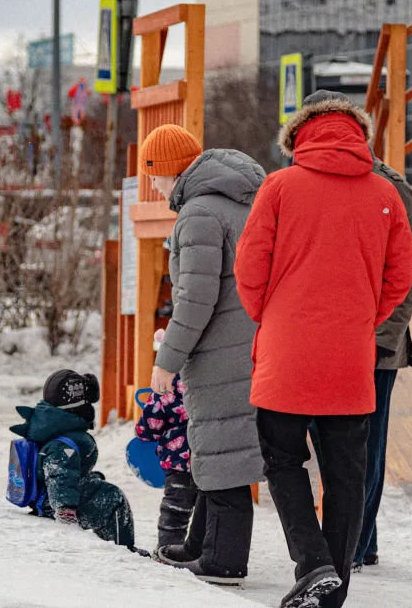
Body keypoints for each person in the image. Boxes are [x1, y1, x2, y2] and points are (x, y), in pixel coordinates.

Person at [235, 94, 412, 608]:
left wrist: (270, 315)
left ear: (299, 137)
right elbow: (400, 278)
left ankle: (312, 564)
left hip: (285, 354)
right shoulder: (385, 195)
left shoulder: (278, 187)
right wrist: (361, 320)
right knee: (345, 477)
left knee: (282, 459)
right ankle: (332, 590)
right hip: (350, 359)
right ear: (359, 137)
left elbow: (249, 269)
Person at [139, 124, 267, 586]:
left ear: (170, 170)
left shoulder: (198, 213)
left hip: (222, 347)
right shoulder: (239, 197)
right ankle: (200, 544)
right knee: (219, 446)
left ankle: (224, 560)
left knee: (224, 449)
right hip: (250, 339)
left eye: (153, 174)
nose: (152, 185)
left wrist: (167, 360)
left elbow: (195, 299)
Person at [9, 369, 136, 548]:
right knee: (113, 498)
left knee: (97, 484)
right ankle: (122, 548)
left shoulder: (54, 427)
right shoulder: (65, 445)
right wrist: (65, 510)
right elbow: (58, 473)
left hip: (48, 497)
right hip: (53, 505)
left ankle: (107, 542)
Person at [134, 329, 196, 551]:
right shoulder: (205, 379)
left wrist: (142, 433)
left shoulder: (164, 386)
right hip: (207, 456)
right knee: (207, 509)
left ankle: (169, 548)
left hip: (179, 461)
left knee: (175, 507)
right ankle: (202, 550)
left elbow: (152, 421)